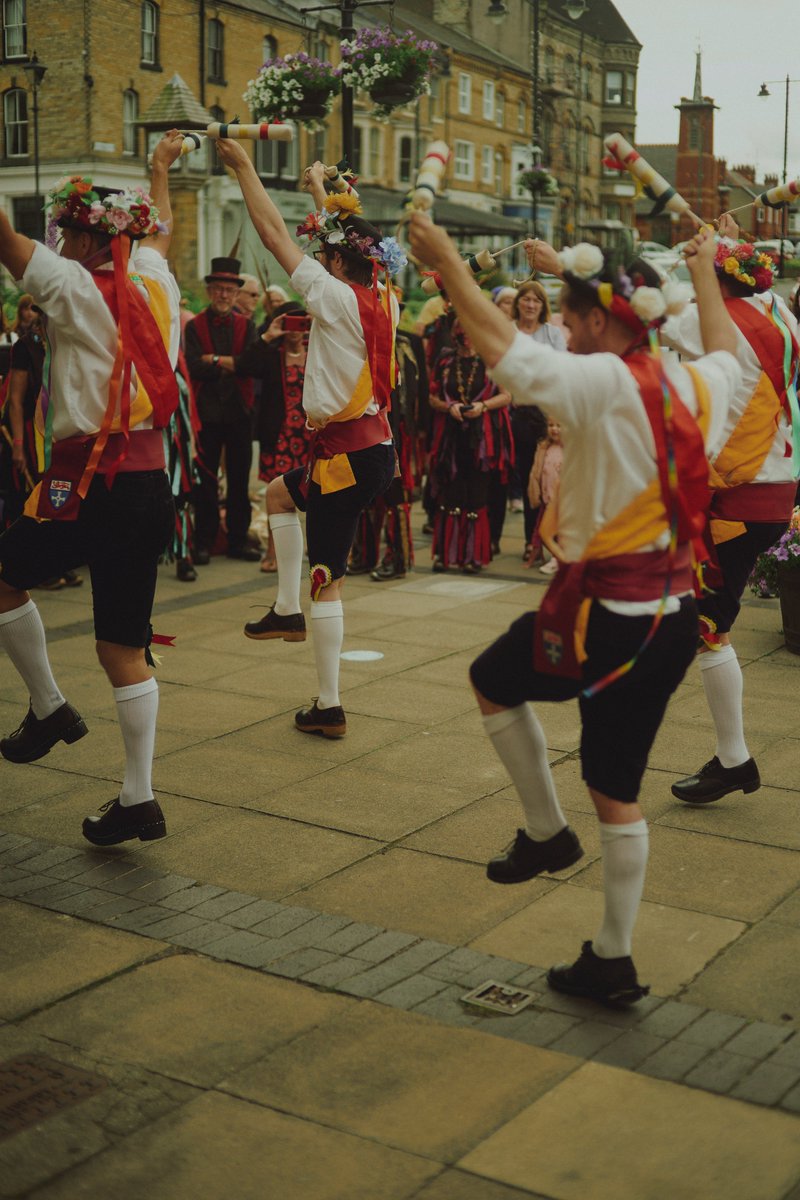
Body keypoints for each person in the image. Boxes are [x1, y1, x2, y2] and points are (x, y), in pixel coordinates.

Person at [409, 212, 740, 1005]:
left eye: (569, 312)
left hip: (609, 619)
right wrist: (705, 269)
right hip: (671, 616)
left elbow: (505, 354)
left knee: (502, 687)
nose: (560, 323)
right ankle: (603, 942)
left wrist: (449, 260)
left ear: (601, 321)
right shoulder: (706, 380)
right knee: (609, 782)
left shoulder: (603, 382)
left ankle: (555, 848)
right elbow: (728, 347)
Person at [0, 131, 184, 847]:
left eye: (64, 232)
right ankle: (138, 799)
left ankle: (48, 706)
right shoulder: (156, 280)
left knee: (4, 577)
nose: (57, 243)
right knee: (122, 647)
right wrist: (158, 172)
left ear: (83, 236)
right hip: (149, 485)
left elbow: (7, 242)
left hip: (93, 483)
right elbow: (159, 235)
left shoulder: (75, 287)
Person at [215, 143, 401, 737]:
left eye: (326, 252)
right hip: (365, 449)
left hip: (349, 456)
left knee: (330, 578)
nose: (318, 255)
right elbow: (348, 240)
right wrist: (324, 190)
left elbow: (274, 235)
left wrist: (245, 168)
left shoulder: (336, 295)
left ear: (340, 264)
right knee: (276, 495)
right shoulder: (383, 295)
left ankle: (329, 705)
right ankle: (285, 608)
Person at [662, 217, 799, 805]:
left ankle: (734, 759)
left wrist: (563, 268)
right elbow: (753, 286)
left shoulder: (718, 325)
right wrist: (732, 245)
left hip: (738, 502)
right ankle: (733, 758)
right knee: (700, 624)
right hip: (771, 492)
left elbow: (634, 307)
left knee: (703, 629)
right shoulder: (780, 316)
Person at [185, 256, 260, 563]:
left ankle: (238, 541)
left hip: (240, 413)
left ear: (236, 293)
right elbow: (192, 366)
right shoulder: (194, 326)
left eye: (229, 289)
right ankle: (204, 540)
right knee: (205, 480)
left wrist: (212, 360)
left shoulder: (248, 325)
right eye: (218, 288)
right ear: (209, 291)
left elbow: (251, 365)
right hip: (206, 414)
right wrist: (231, 365)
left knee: (241, 480)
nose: (224, 295)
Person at [229, 300, 313, 573]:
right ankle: (274, 551)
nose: (295, 330)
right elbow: (244, 366)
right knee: (278, 495)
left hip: (311, 435)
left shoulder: (316, 352)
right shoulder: (271, 355)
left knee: (319, 492)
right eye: (290, 322)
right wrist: (269, 334)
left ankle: (318, 549)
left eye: (301, 323)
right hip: (279, 436)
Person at [428, 317, 513, 573]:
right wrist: (448, 406)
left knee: (476, 495)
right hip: (450, 439)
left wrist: (483, 406)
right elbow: (431, 396)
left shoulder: (492, 359)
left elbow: (507, 395)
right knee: (450, 492)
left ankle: (472, 556)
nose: (466, 337)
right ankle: (447, 554)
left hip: (482, 441)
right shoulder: (445, 360)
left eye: (470, 331)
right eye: (461, 332)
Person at [511, 279, 566, 562]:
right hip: (516, 412)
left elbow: (560, 370)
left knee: (547, 477)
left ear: (543, 305)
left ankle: (549, 539)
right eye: (526, 299)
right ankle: (530, 540)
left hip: (545, 414)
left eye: (536, 300)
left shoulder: (551, 334)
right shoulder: (510, 332)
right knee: (525, 476)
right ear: (518, 302)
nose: (531, 305)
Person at [528, 416, 564, 573]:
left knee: (562, 531)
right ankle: (554, 557)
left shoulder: (571, 449)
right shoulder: (543, 447)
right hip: (547, 497)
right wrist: (535, 491)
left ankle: (558, 559)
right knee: (547, 530)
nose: (554, 429)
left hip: (563, 500)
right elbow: (536, 472)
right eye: (551, 425)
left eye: (559, 425)